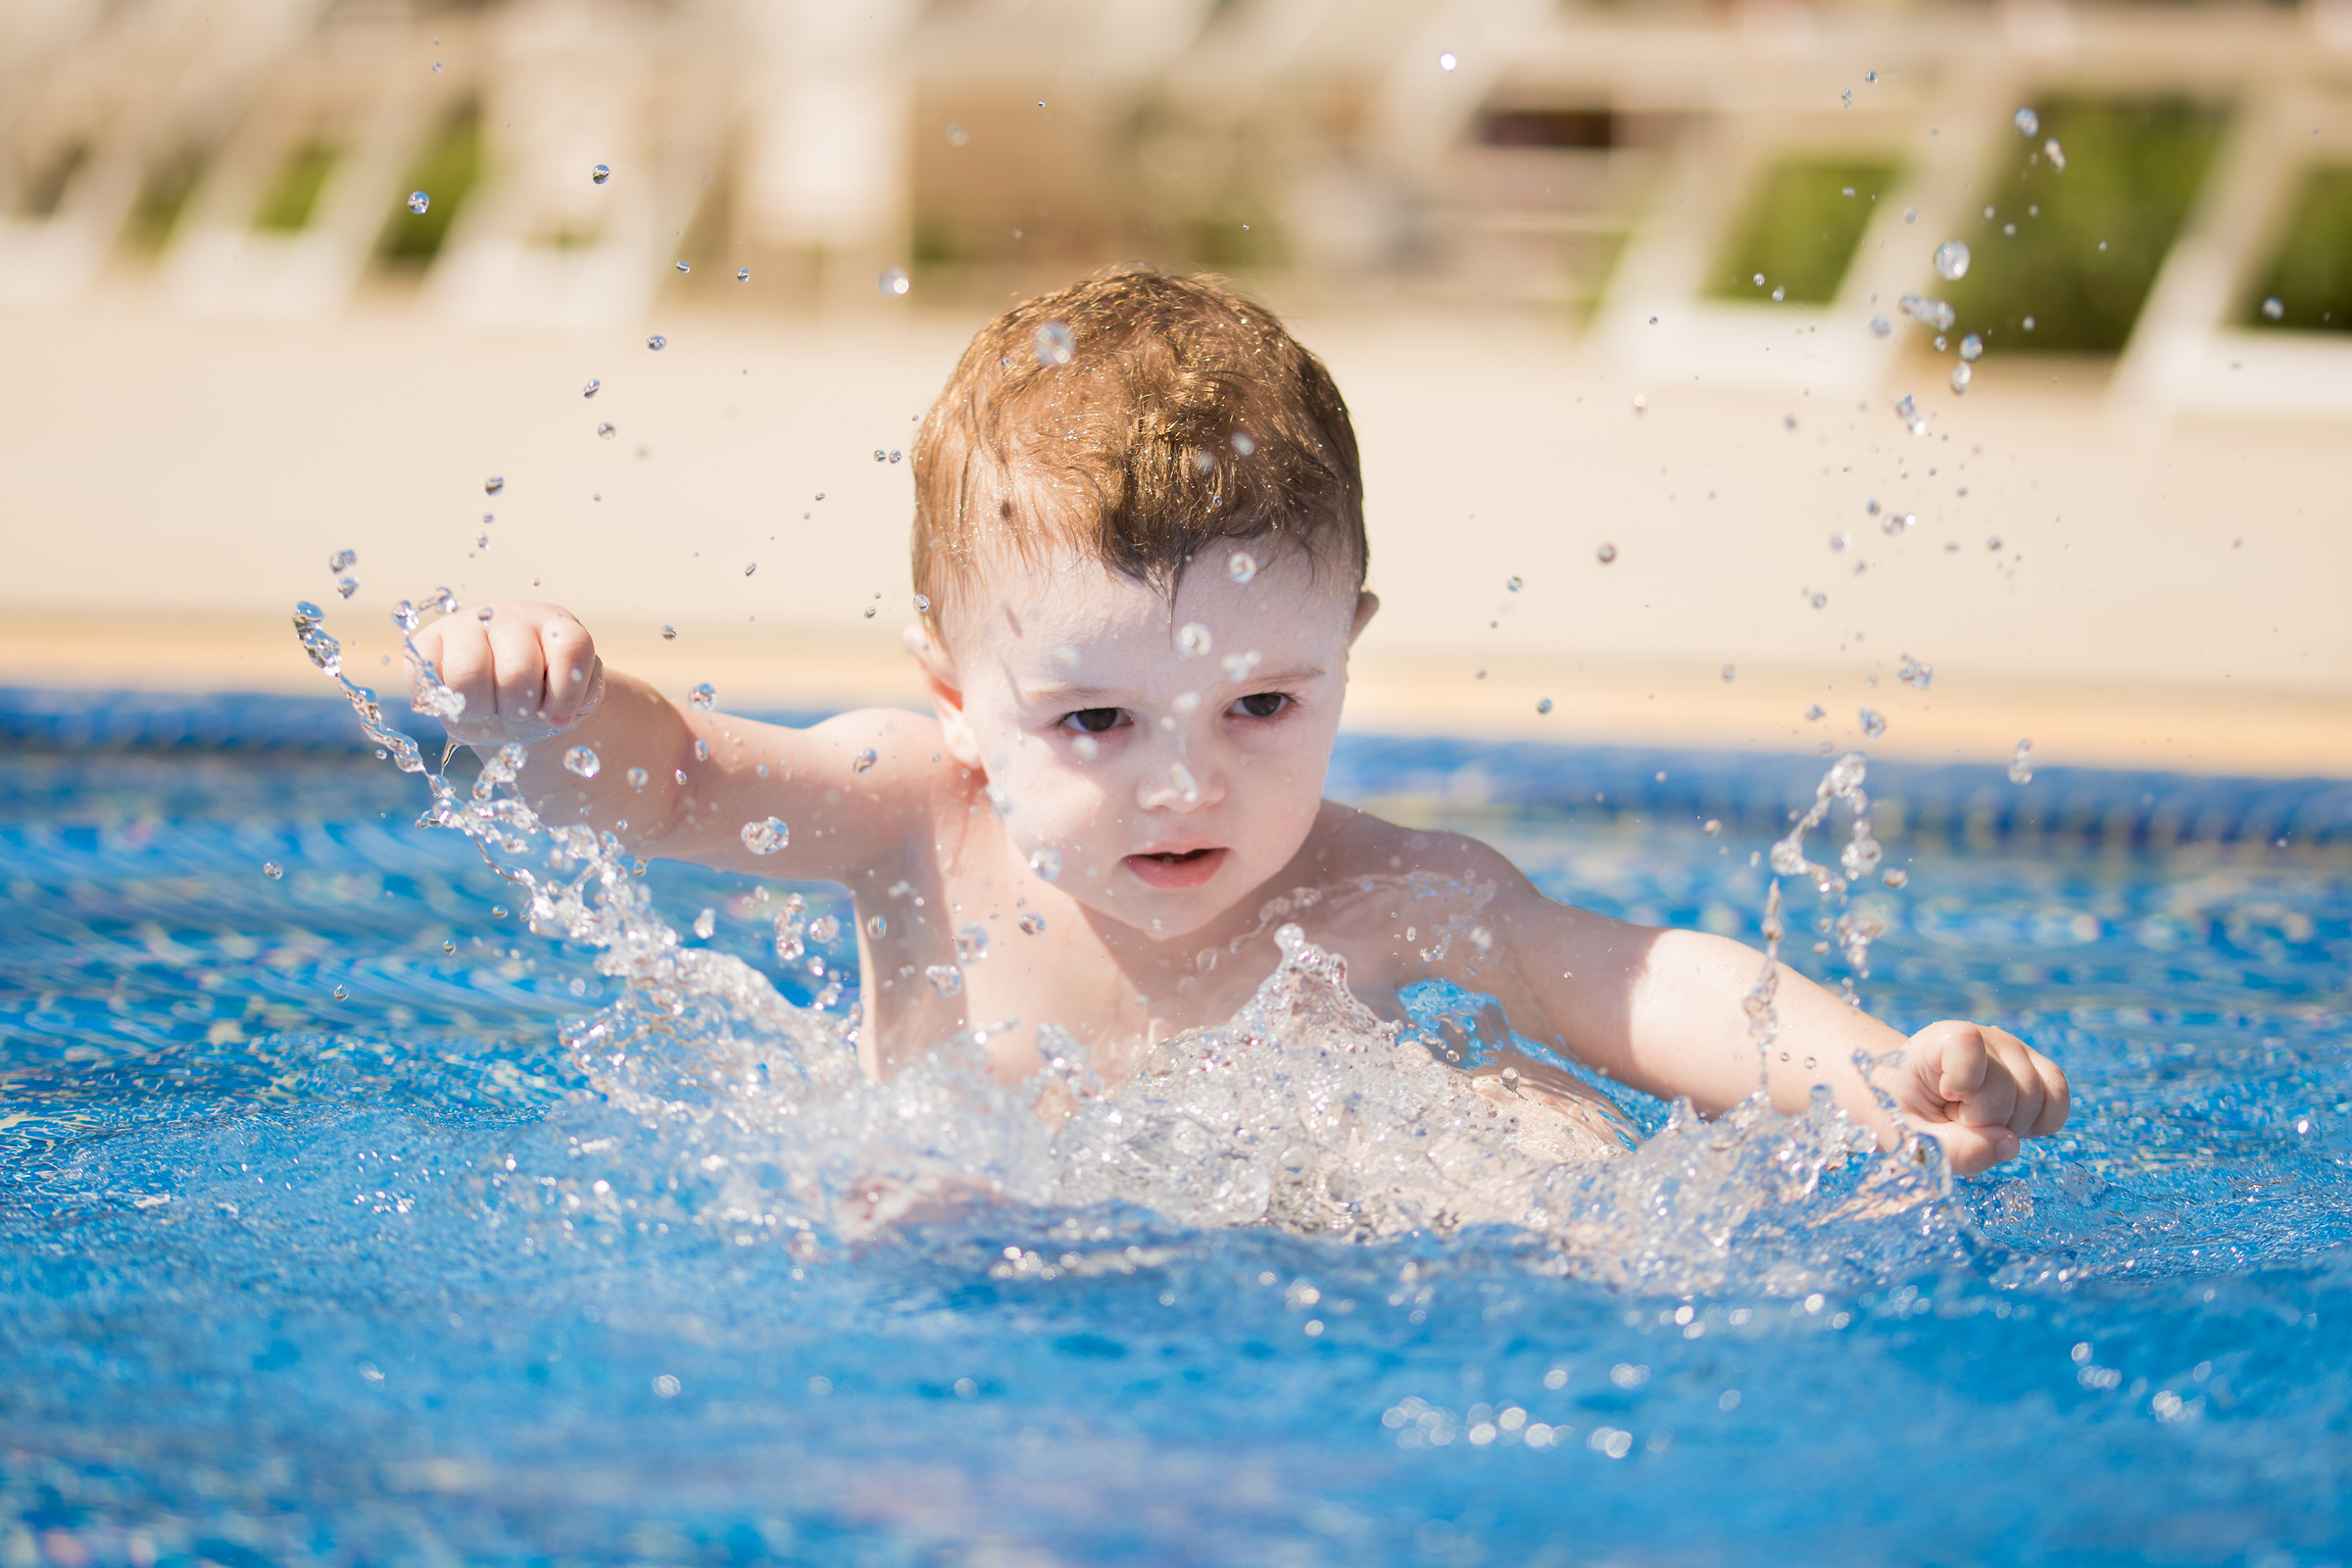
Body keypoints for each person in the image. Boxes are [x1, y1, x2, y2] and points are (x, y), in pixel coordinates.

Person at [409, 267, 2069, 1176]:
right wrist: (557, 713)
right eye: (1096, 720)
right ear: (955, 695)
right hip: (948, 1315)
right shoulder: (917, 806)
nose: (1185, 777)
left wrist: (1883, 1074)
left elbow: (1631, 977)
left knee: (1542, 1150)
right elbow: (684, 779)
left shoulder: (1390, 891)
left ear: (1349, 650)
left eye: (1265, 702)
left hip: (1274, 1298)